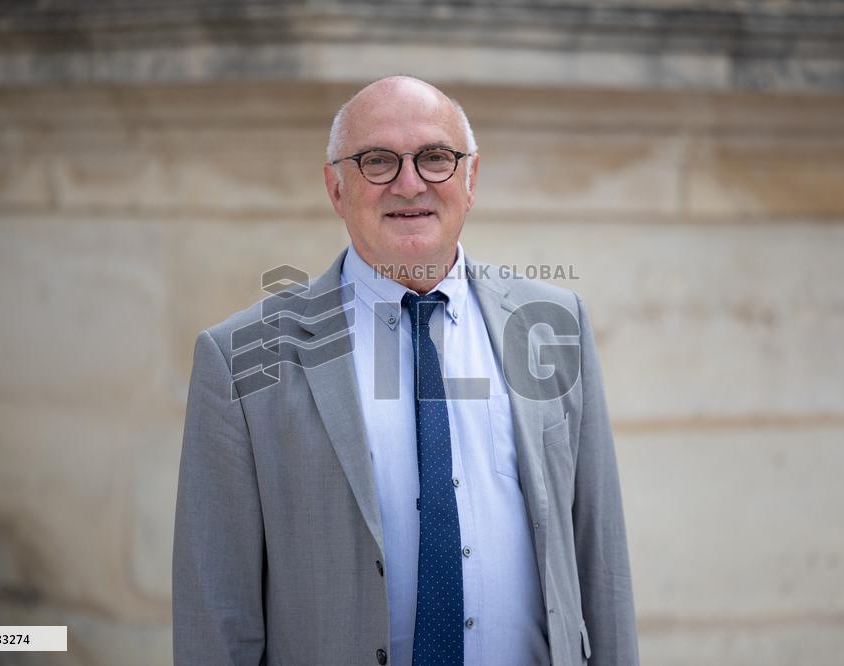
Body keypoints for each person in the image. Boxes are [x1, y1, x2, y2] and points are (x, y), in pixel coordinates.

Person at [173, 76, 639, 666]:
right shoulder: (243, 353)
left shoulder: (551, 325)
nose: (410, 182)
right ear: (336, 188)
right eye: (378, 161)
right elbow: (216, 610)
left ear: (470, 180)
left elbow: (600, 557)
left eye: (435, 158)